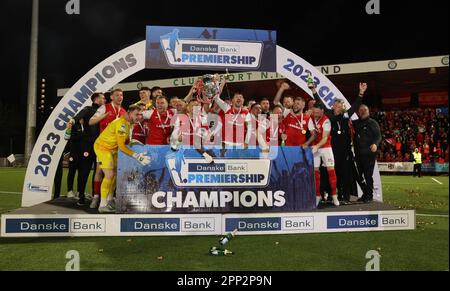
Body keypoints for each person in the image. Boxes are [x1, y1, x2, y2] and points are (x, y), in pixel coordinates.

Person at [309, 81, 367, 203]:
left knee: (344, 173)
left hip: (344, 150)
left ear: (342, 107)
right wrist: (314, 90)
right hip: (331, 148)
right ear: (333, 106)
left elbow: (355, 106)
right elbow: (319, 103)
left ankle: (344, 196)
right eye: (336, 105)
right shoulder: (328, 115)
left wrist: (361, 93)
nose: (338, 107)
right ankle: (331, 195)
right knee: (328, 172)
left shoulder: (345, 116)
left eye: (340, 106)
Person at [93, 105, 151, 213]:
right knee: (109, 175)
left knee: (115, 174)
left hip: (112, 149)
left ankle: (110, 200)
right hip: (103, 148)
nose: (138, 117)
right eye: (136, 114)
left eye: (140, 114)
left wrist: (133, 142)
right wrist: (137, 156)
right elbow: (122, 146)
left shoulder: (129, 123)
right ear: (129, 113)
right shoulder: (121, 124)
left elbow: (126, 142)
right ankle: (102, 204)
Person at [73, 92, 106, 206]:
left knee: (98, 172)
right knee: (84, 170)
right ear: (96, 99)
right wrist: (75, 122)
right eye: (103, 98)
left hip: (101, 146)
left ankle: (94, 196)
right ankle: (81, 196)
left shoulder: (104, 111)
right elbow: (76, 118)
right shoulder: (87, 109)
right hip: (87, 145)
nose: (104, 100)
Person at [304, 104, 340, 207]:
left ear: (322, 111)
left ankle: (334, 195)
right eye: (314, 112)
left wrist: (317, 146)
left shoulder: (326, 120)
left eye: (318, 113)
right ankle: (317, 195)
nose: (315, 114)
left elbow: (325, 138)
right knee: (315, 173)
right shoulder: (310, 118)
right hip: (315, 147)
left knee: (331, 172)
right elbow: (312, 134)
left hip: (326, 147)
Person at [353, 104, 382, 203]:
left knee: (368, 175)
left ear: (368, 111)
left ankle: (369, 195)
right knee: (357, 175)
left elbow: (378, 136)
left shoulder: (373, 123)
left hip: (369, 154)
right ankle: (366, 192)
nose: (363, 111)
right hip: (358, 154)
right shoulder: (355, 123)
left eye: (365, 109)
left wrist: (375, 144)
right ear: (358, 112)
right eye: (361, 110)